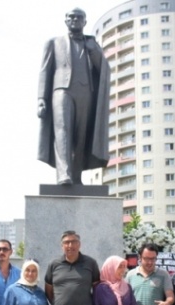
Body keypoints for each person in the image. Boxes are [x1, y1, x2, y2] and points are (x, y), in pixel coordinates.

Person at [37, 7, 110, 185]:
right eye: (71, 17)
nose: (75, 20)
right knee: (62, 130)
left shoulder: (92, 44)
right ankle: (64, 174)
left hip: (85, 93)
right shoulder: (53, 42)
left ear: (85, 22)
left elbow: (104, 71)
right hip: (61, 91)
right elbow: (44, 71)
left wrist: (93, 51)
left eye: (79, 17)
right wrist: (41, 98)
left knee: (81, 135)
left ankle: (76, 176)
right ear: (66, 20)